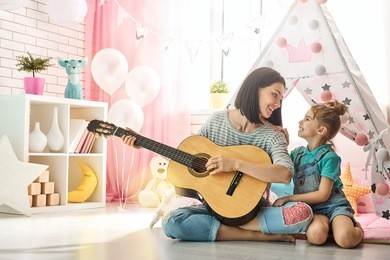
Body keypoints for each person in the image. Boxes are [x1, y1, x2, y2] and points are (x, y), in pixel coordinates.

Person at [122, 67, 313, 242]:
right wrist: (142, 142)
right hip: (213, 206)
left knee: (303, 213)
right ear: (256, 89)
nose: (278, 103)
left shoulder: (273, 135)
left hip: (251, 209)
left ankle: (231, 228)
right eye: (275, 95)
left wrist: (235, 164)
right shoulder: (216, 120)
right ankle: (258, 235)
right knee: (172, 222)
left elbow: (284, 173)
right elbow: (188, 158)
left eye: (281, 99)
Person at [273, 100, 364, 248]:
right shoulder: (297, 154)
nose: (300, 121)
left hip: (335, 206)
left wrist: (289, 198)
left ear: (321, 130)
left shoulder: (330, 157)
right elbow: (282, 167)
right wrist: (283, 144)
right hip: (313, 209)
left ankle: (357, 229)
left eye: (307, 119)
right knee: (316, 236)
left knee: (345, 240)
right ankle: (331, 228)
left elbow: (323, 195)